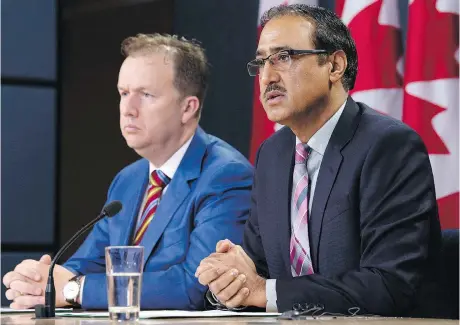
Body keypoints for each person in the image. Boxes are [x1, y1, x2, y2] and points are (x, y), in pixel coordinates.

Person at [196, 4, 441, 316]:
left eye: (283, 57)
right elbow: (257, 270)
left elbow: (388, 286)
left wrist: (262, 290)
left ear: (335, 65)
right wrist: (231, 281)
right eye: (261, 62)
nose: (267, 76)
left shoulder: (389, 147)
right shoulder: (272, 155)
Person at [3, 33, 253, 310]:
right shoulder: (129, 180)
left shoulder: (226, 176)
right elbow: (86, 264)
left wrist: (74, 289)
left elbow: (196, 287)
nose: (128, 109)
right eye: (124, 93)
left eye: (146, 95)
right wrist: (42, 281)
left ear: (187, 108)